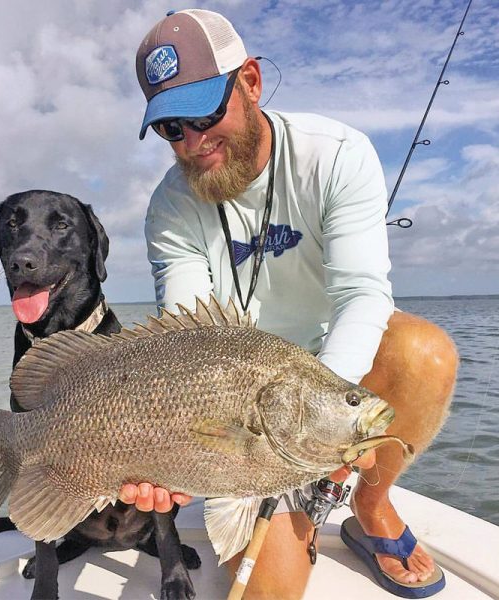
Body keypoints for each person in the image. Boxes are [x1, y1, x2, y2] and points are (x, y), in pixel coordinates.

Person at [120, 8, 458, 599]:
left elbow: (362, 293)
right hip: (235, 405)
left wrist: (316, 423)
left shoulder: (336, 154)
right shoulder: (169, 208)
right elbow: (184, 350)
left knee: (425, 353)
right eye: (173, 128)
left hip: (327, 375)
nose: (193, 143)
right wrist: (165, 460)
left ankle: (372, 505)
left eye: (203, 113)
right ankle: (293, 508)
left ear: (249, 81)